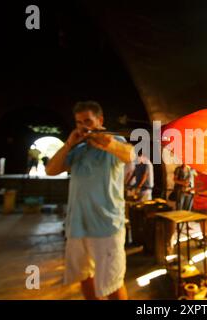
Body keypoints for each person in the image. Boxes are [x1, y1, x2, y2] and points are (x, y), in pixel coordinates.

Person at [45, 101, 135, 300]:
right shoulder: (77, 150)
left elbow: (129, 154)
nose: (83, 126)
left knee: (112, 284)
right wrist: (69, 143)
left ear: (100, 120)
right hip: (77, 226)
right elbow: (50, 170)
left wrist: (107, 143)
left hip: (106, 227)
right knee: (84, 276)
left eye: (88, 120)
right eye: (78, 122)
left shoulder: (113, 141)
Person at [192, 171, 207, 237]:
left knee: (206, 221)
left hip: (205, 203)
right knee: (201, 221)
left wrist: (200, 193)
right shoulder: (196, 176)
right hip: (197, 203)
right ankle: (204, 236)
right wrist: (191, 190)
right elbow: (196, 188)